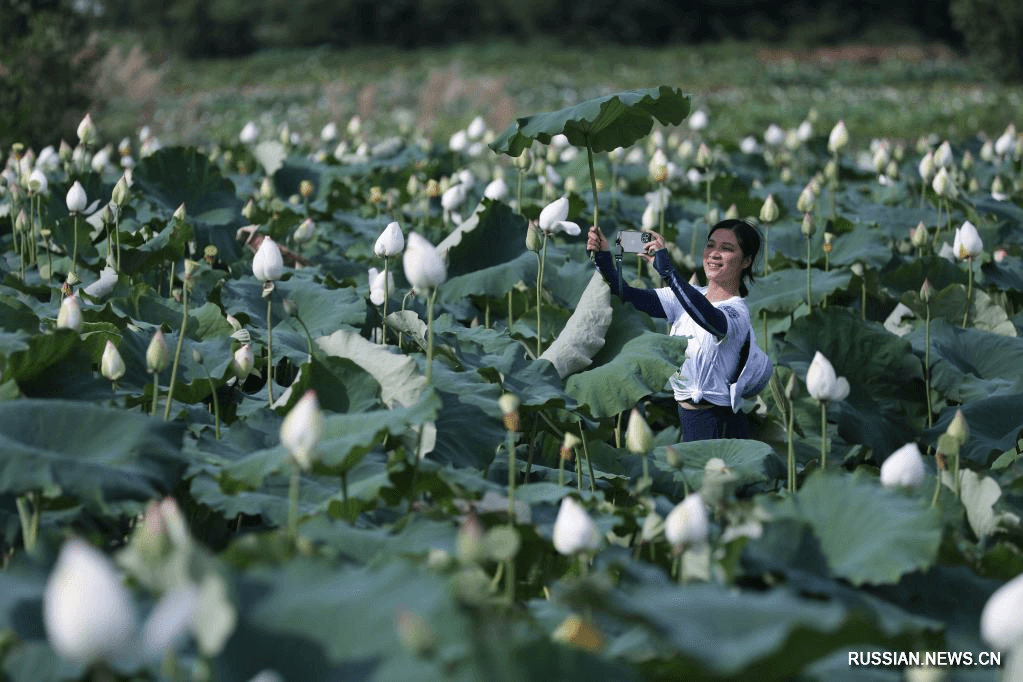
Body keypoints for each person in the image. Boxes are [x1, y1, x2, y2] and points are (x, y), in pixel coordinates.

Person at [586, 219, 772, 441]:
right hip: (689, 419)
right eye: (710, 245)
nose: (714, 254)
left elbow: (708, 318)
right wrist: (603, 256)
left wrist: (668, 272)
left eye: (727, 249)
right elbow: (626, 295)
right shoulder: (685, 297)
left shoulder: (737, 311)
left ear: (746, 261)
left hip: (720, 424)